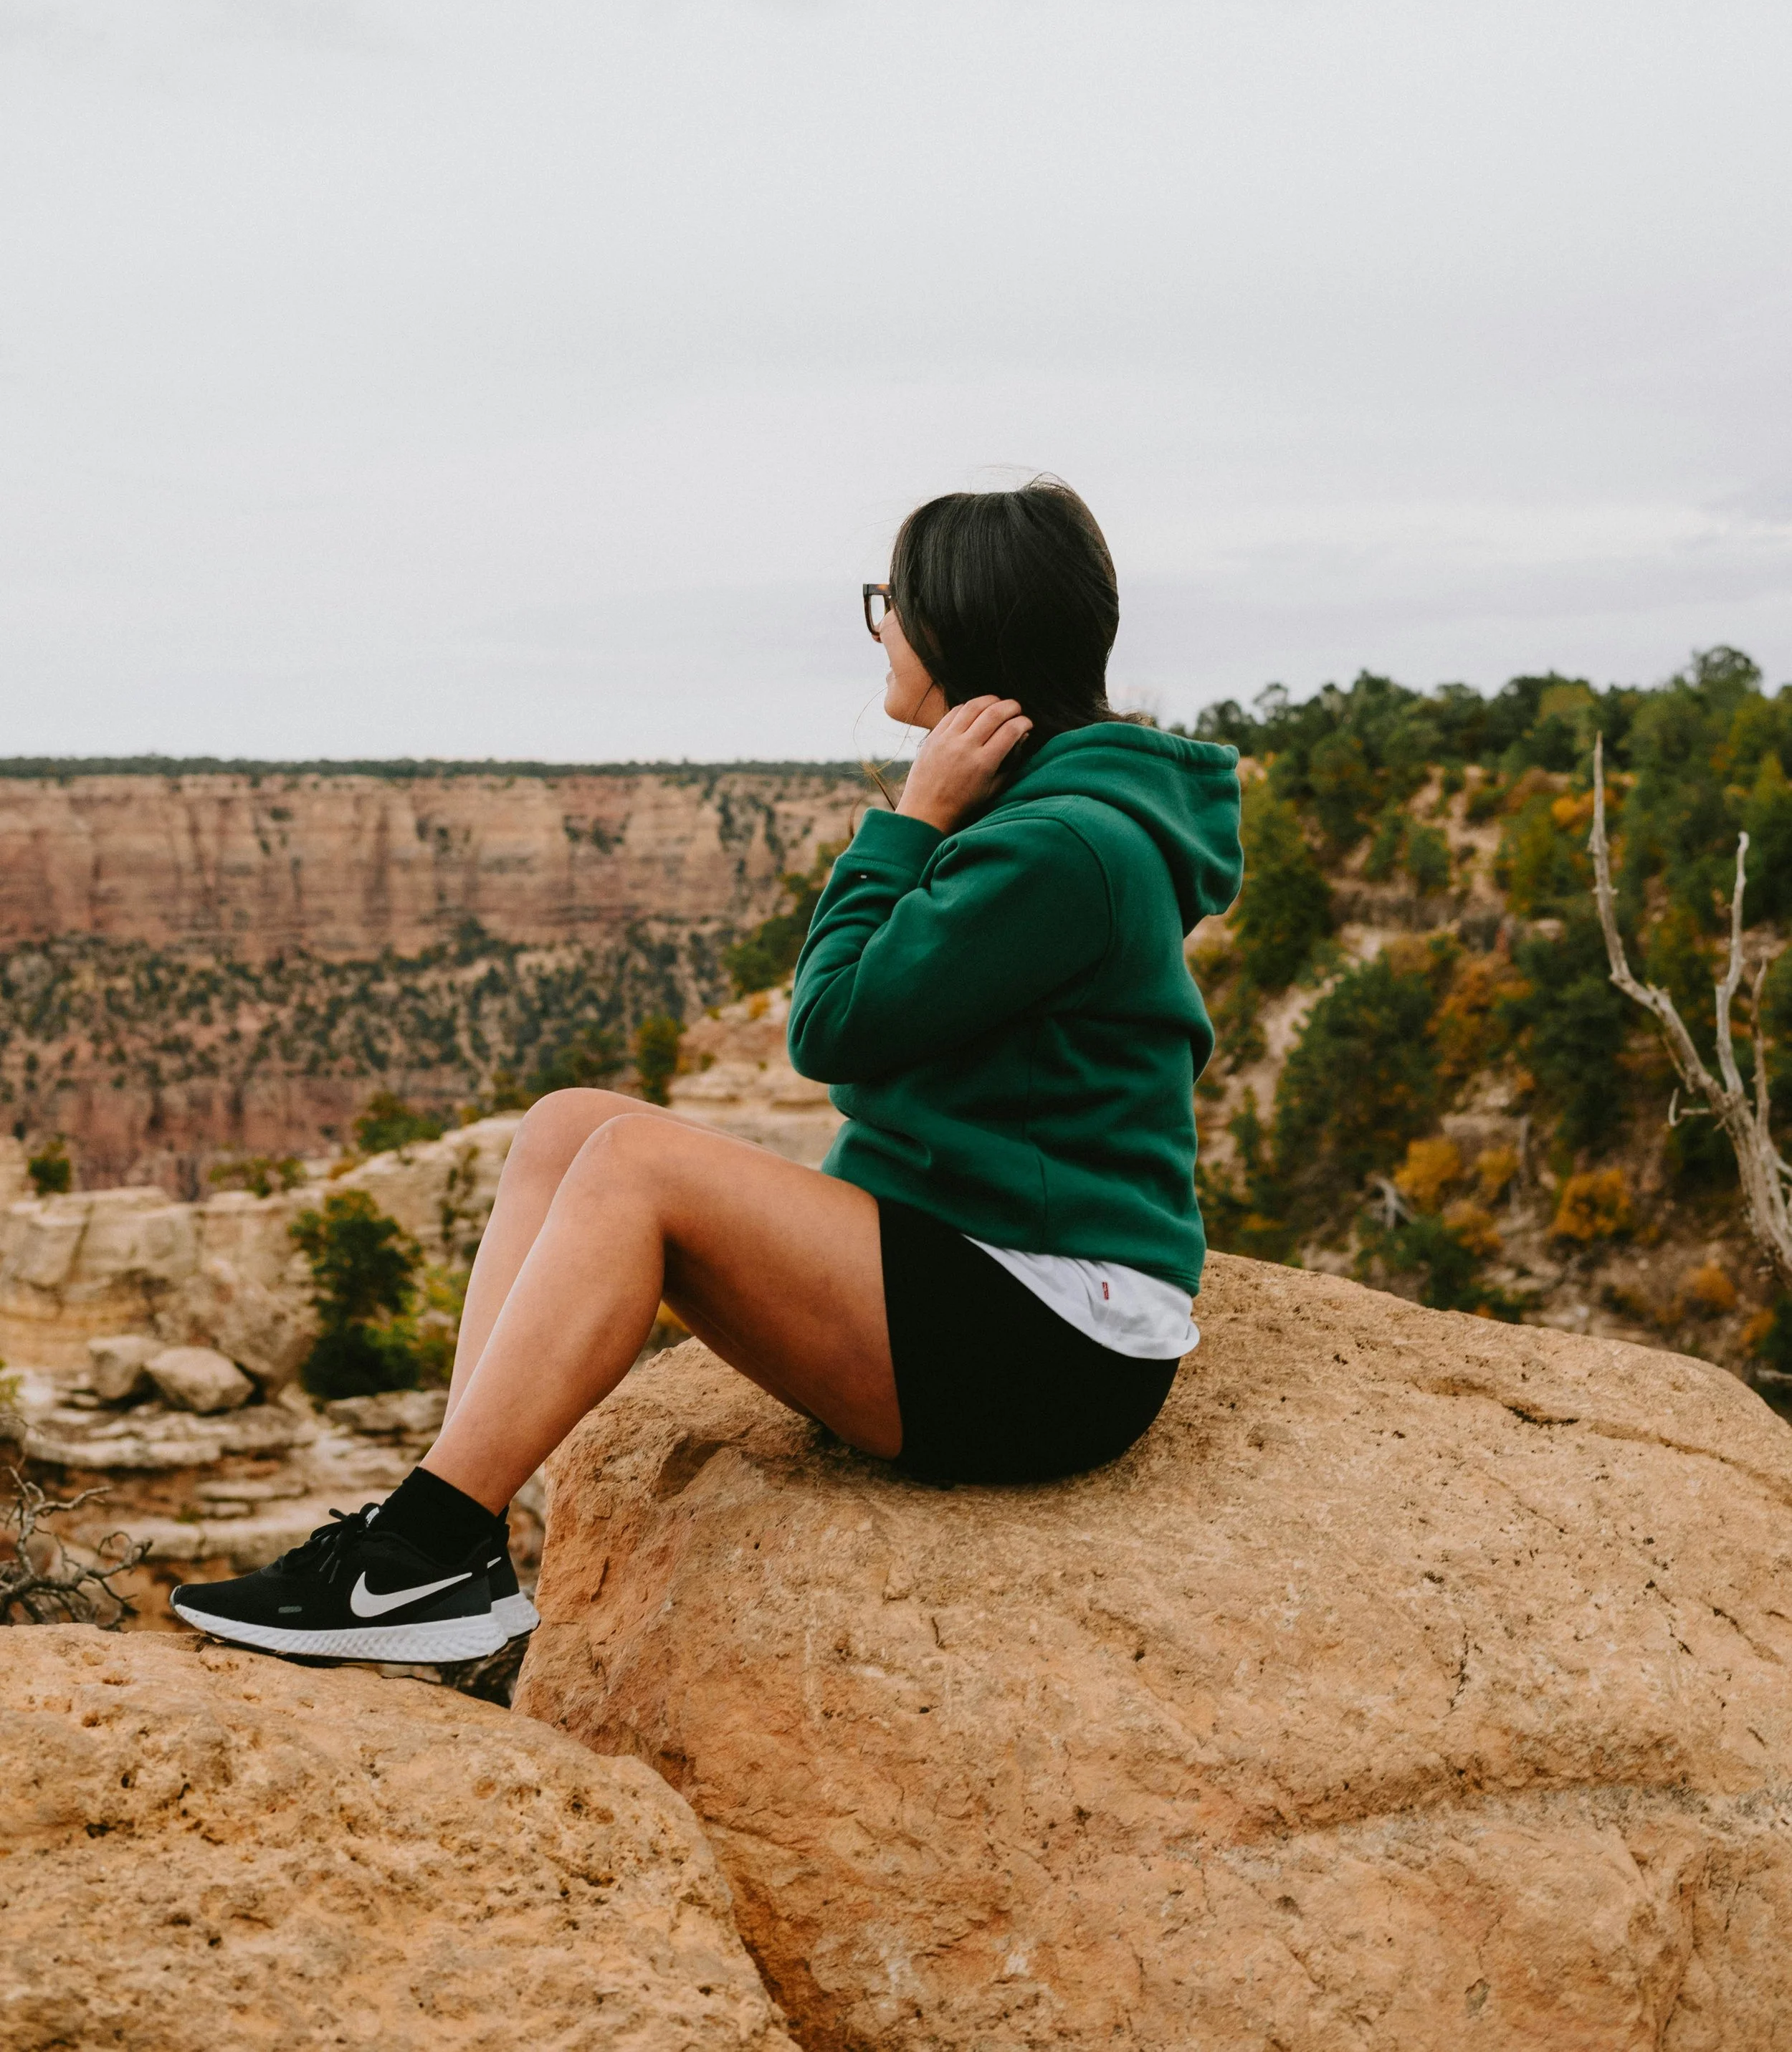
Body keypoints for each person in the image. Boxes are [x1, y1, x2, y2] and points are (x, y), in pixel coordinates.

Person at [171, 479, 1243, 1664]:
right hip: (974, 1268)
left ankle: (418, 1561)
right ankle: (443, 1543)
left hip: (1050, 1343)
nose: (883, 628)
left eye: (894, 602)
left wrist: (908, 822)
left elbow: (831, 1025)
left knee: (634, 1167)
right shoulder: (1048, 812)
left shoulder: (1061, 845)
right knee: (566, 1126)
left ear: (963, 626)